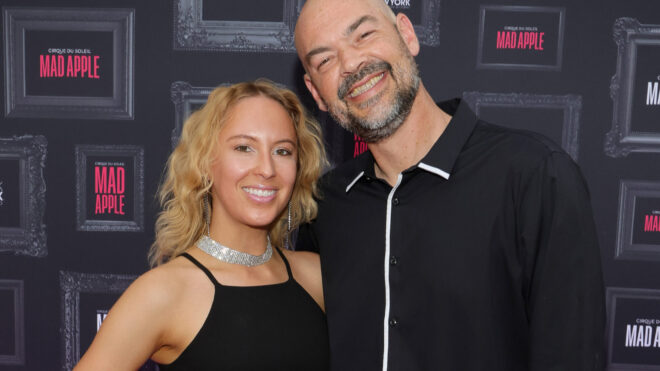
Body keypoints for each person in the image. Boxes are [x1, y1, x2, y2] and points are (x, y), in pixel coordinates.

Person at [293, 0, 605, 370]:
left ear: (407, 35)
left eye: (363, 34)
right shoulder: (326, 205)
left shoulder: (534, 176)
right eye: (325, 60)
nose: (351, 65)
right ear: (316, 94)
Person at [74, 80, 329, 370]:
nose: (267, 169)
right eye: (244, 147)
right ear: (206, 162)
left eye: (282, 151)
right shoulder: (164, 292)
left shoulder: (316, 276)